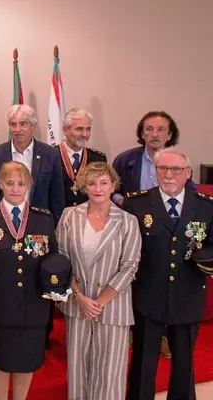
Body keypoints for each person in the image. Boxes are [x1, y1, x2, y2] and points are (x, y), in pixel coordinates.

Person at [124, 147, 213, 400]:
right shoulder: (136, 204)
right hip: (148, 295)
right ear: (155, 171)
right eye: (163, 168)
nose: (169, 175)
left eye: (176, 169)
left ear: (188, 173)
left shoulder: (206, 207)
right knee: (143, 361)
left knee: (184, 362)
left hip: (188, 294)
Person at [0, 161, 58, 400]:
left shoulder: (43, 220)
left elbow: (52, 261)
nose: (16, 189)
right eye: (10, 183)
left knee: (27, 361)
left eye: (21, 183)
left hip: (33, 306)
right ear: (0, 184)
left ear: (29, 185)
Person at [55, 162, 141, 399]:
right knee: (78, 370)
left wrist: (100, 301)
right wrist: (80, 298)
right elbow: (61, 262)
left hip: (113, 306)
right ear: (84, 186)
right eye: (92, 183)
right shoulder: (69, 216)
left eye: (104, 183)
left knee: (110, 374)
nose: (98, 188)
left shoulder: (128, 221)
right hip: (77, 304)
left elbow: (130, 266)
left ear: (113, 185)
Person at [0, 105, 65, 223]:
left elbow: (57, 197)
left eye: (23, 124)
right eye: (13, 125)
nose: (17, 129)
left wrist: (55, 226)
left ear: (33, 126)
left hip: (38, 222)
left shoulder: (50, 154)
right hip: (1, 224)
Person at [112, 111, 194, 204]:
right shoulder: (124, 160)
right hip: (134, 215)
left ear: (169, 135)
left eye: (160, 129)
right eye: (149, 129)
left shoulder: (180, 161)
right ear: (142, 134)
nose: (154, 134)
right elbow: (112, 190)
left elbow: (190, 192)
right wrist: (121, 201)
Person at [57, 108, 107, 207]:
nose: (85, 134)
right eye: (79, 129)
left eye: (88, 129)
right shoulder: (50, 155)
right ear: (65, 130)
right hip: (58, 219)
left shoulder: (98, 159)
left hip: (87, 218)